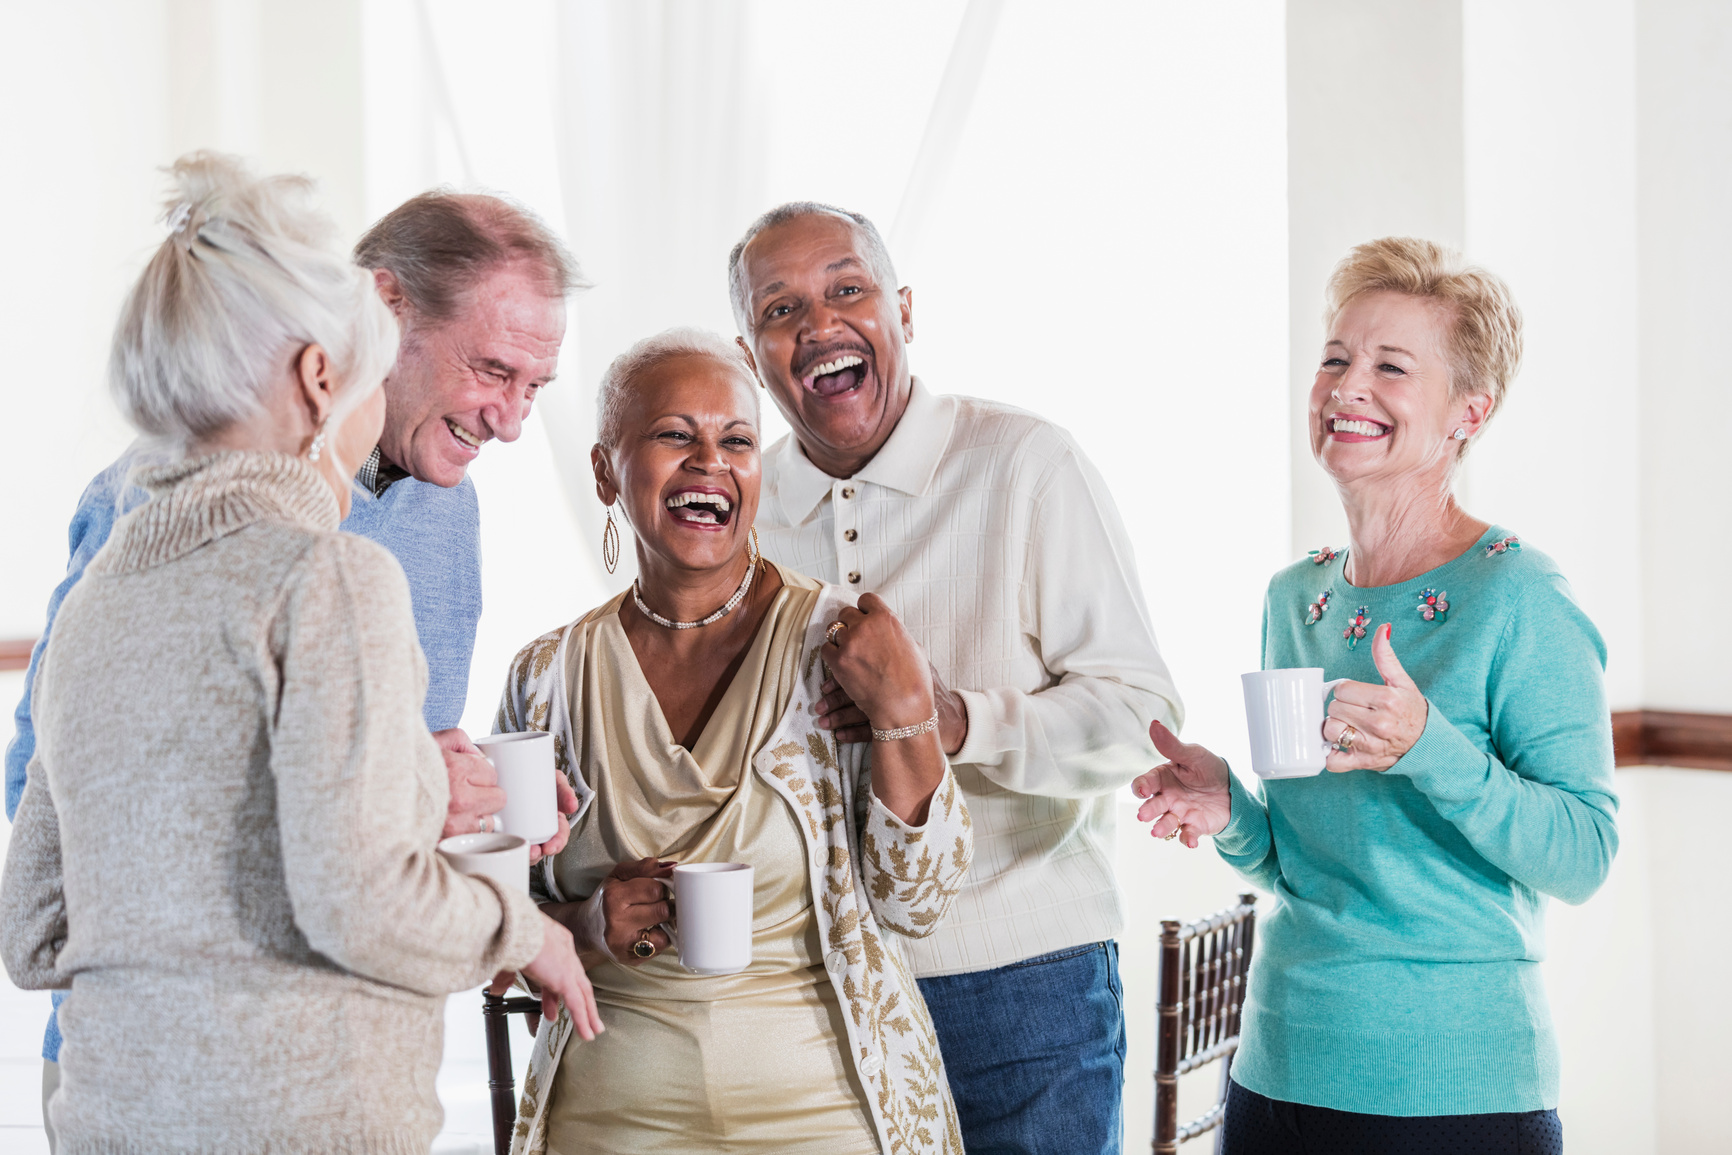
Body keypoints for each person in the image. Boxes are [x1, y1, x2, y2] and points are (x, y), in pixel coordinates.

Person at [0, 153, 603, 1154]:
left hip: (130, 1102)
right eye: (493, 370)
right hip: (294, 1099)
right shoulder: (300, 564)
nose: (509, 419)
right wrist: (516, 922)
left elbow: (36, 918)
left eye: (535, 387)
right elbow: (346, 882)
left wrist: (443, 788)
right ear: (354, 343)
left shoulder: (437, 516)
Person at [1132, 238, 1617, 1155]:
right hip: (1278, 1073)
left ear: (1468, 412)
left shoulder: (1519, 597)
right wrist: (1230, 805)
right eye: (1334, 359)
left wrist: (1429, 744)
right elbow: (1303, 863)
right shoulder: (1294, 598)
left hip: (1458, 1097)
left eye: (1391, 366)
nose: (1347, 387)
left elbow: (1586, 853)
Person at [730, 201, 1184, 1155]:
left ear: (903, 309)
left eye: (846, 289)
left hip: (1024, 980)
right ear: (752, 353)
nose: (817, 324)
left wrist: (953, 718)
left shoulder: (1025, 465)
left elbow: (1142, 720)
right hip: (820, 991)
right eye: (780, 310)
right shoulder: (745, 512)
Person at [492, 328, 972, 1154]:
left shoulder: (841, 643)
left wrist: (906, 709)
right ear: (607, 469)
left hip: (824, 1111)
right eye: (675, 435)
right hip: (610, 1113)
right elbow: (491, 920)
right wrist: (585, 922)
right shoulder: (546, 676)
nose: (709, 461)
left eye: (737, 440)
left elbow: (918, 903)